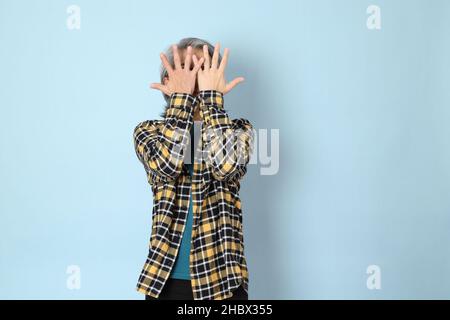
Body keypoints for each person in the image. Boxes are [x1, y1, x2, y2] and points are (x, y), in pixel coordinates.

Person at [133, 37, 254, 300]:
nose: (194, 80)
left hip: (223, 280)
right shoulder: (148, 132)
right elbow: (166, 166)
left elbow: (226, 167)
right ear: (169, 81)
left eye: (203, 71)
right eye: (186, 70)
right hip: (166, 280)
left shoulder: (239, 130)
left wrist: (211, 99)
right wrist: (181, 98)